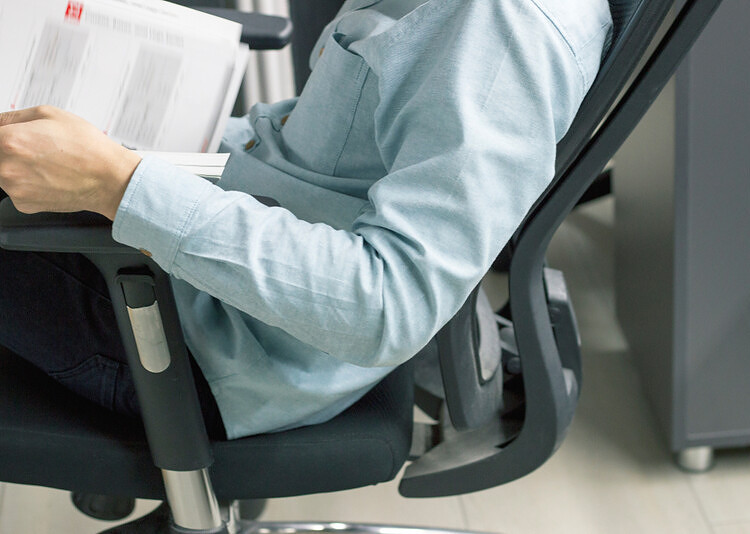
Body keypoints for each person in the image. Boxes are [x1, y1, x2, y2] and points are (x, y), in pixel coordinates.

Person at [0, 0, 612, 441]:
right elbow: (331, 157)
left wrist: (119, 183)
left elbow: (388, 306)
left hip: (206, 343)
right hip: (208, 267)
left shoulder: (500, 30)